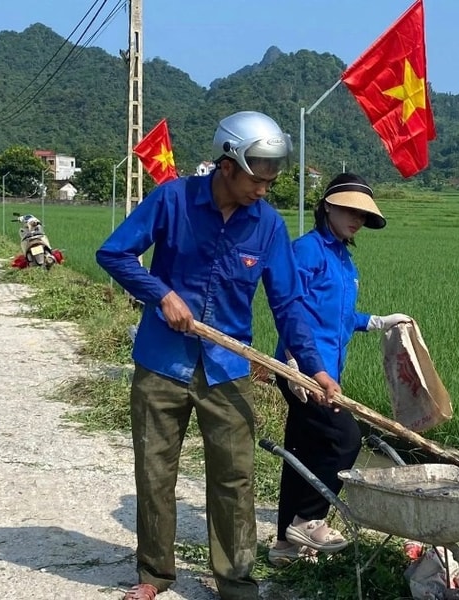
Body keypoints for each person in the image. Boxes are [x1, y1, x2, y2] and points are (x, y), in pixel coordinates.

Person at [96, 110, 341, 600]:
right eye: (257, 179)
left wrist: (315, 368)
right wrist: (160, 294)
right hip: (162, 361)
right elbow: (114, 253)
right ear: (227, 165)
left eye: (271, 181)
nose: (264, 189)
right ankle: (154, 577)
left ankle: (235, 582)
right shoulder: (172, 200)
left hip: (229, 367)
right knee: (155, 470)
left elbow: (288, 303)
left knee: (235, 478)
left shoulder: (267, 225)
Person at [268, 173, 411, 566]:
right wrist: (296, 360)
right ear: (327, 206)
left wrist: (379, 321)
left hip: (328, 370)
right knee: (345, 439)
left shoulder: (344, 261)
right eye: (349, 210)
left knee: (303, 449)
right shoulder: (307, 250)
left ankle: (284, 545)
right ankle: (309, 519)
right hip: (302, 370)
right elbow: (289, 307)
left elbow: (340, 316)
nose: (356, 219)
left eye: (363, 216)